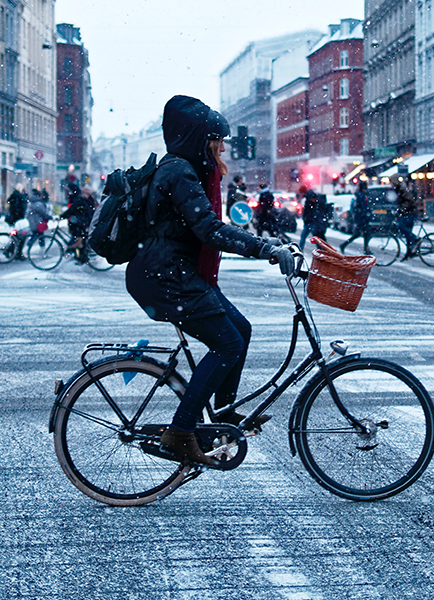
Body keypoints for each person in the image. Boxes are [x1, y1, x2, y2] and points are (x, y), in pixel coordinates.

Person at [126, 95, 293, 466]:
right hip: (166, 277)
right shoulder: (179, 172)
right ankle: (181, 432)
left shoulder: (183, 169)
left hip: (172, 273)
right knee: (227, 345)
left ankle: (223, 415)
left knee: (241, 330)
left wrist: (267, 245)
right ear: (198, 139)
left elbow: (206, 226)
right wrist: (264, 248)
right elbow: (209, 229)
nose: (221, 148)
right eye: (216, 140)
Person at [60, 184, 96, 263]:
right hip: (84, 222)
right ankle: (80, 257)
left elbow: (72, 209)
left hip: (80, 223)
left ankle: (79, 256)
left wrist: (62, 216)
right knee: (81, 240)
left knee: (79, 240)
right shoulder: (89, 200)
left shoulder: (80, 199)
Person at [339, 181, 373, 254]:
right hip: (362, 218)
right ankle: (365, 249)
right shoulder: (361, 195)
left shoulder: (358, 195)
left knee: (362, 234)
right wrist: (368, 213)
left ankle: (365, 249)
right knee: (365, 234)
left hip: (360, 218)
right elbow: (364, 207)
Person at [394, 179, 421, 259]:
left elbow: (409, 201)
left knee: (401, 226)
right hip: (408, 212)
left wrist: (401, 209)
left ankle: (415, 238)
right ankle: (409, 252)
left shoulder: (402, 189)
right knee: (407, 233)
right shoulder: (399, 189)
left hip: (411, 213)